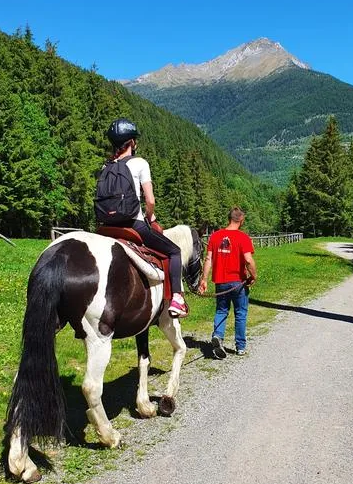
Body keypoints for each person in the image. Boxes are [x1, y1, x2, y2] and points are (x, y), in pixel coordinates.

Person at [102, 118, 188, 318]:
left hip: (106, 226)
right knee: (174, 252)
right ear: (132, 142)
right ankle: (177, 299)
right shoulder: (140, 163)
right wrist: (151, 217)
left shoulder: (105, 167)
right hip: (133, 224)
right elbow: (150, 200)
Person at [199, 207, 257, 357]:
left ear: (229, 218)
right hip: (238, 282)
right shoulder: (243, 237)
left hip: (221, 282)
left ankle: (218, 336)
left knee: (221, 310)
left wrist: (204, 280)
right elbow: (248, 260)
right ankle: (240, 347)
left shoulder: (215, 236)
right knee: (240, 313)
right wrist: (253, 276)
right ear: (241, 220)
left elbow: (208, 259)